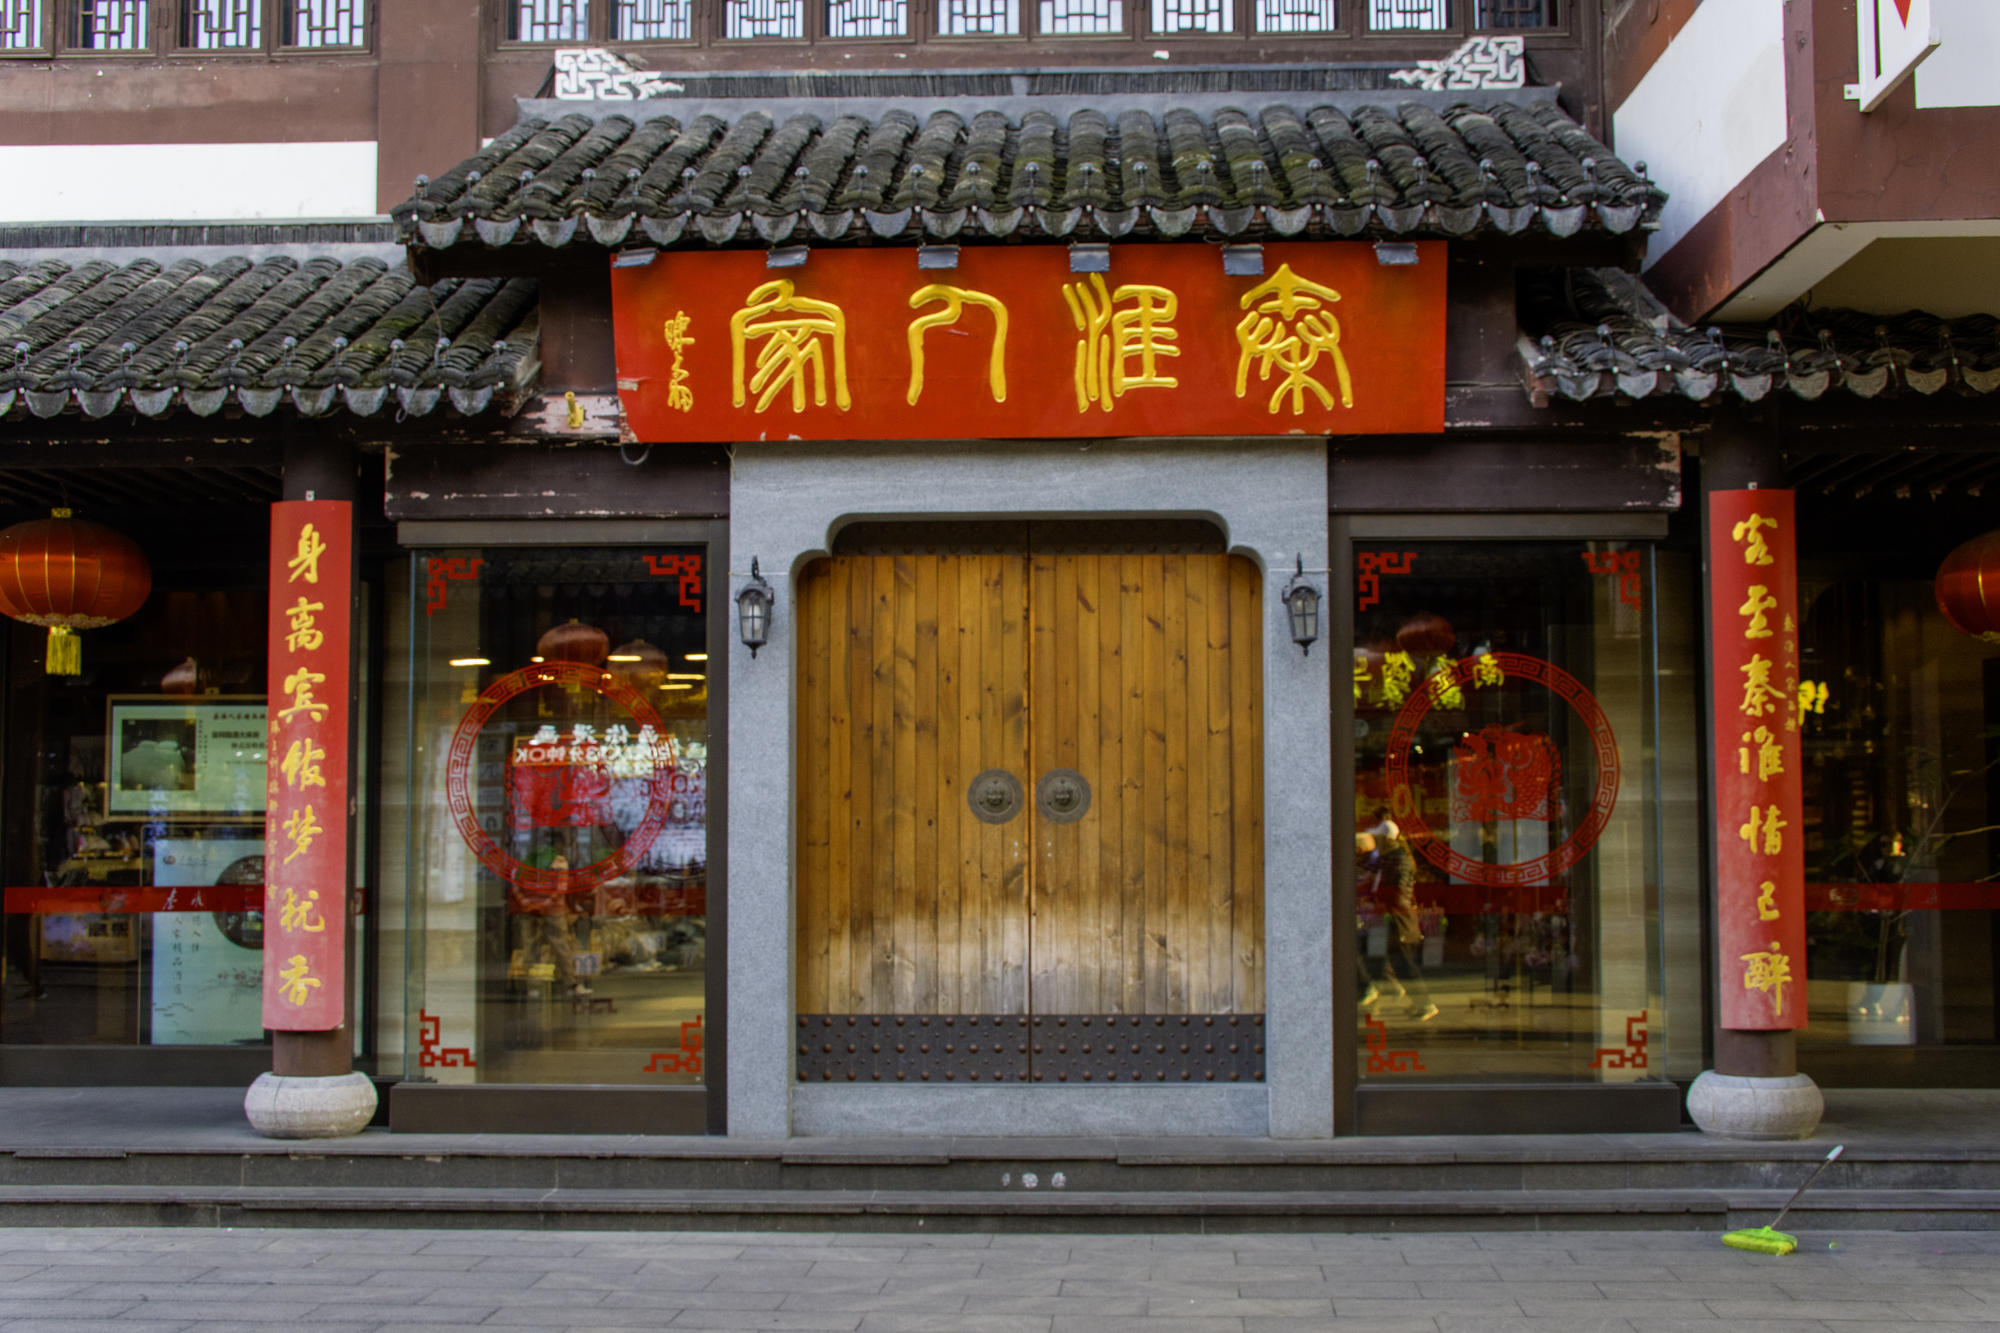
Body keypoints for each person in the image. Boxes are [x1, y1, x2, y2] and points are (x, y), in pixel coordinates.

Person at [1360, 814, 1438, 1022]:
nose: (1375, 842)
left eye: (1378, 839)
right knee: (1391, 960)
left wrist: (1380, 901)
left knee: (1404, 964)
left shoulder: (1399, 860)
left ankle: (1425, 1004)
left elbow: (1399, 893)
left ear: (1387, 840)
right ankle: (1413, 999)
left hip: (1398, 919)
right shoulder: (1388, 859)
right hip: (1390, 918)